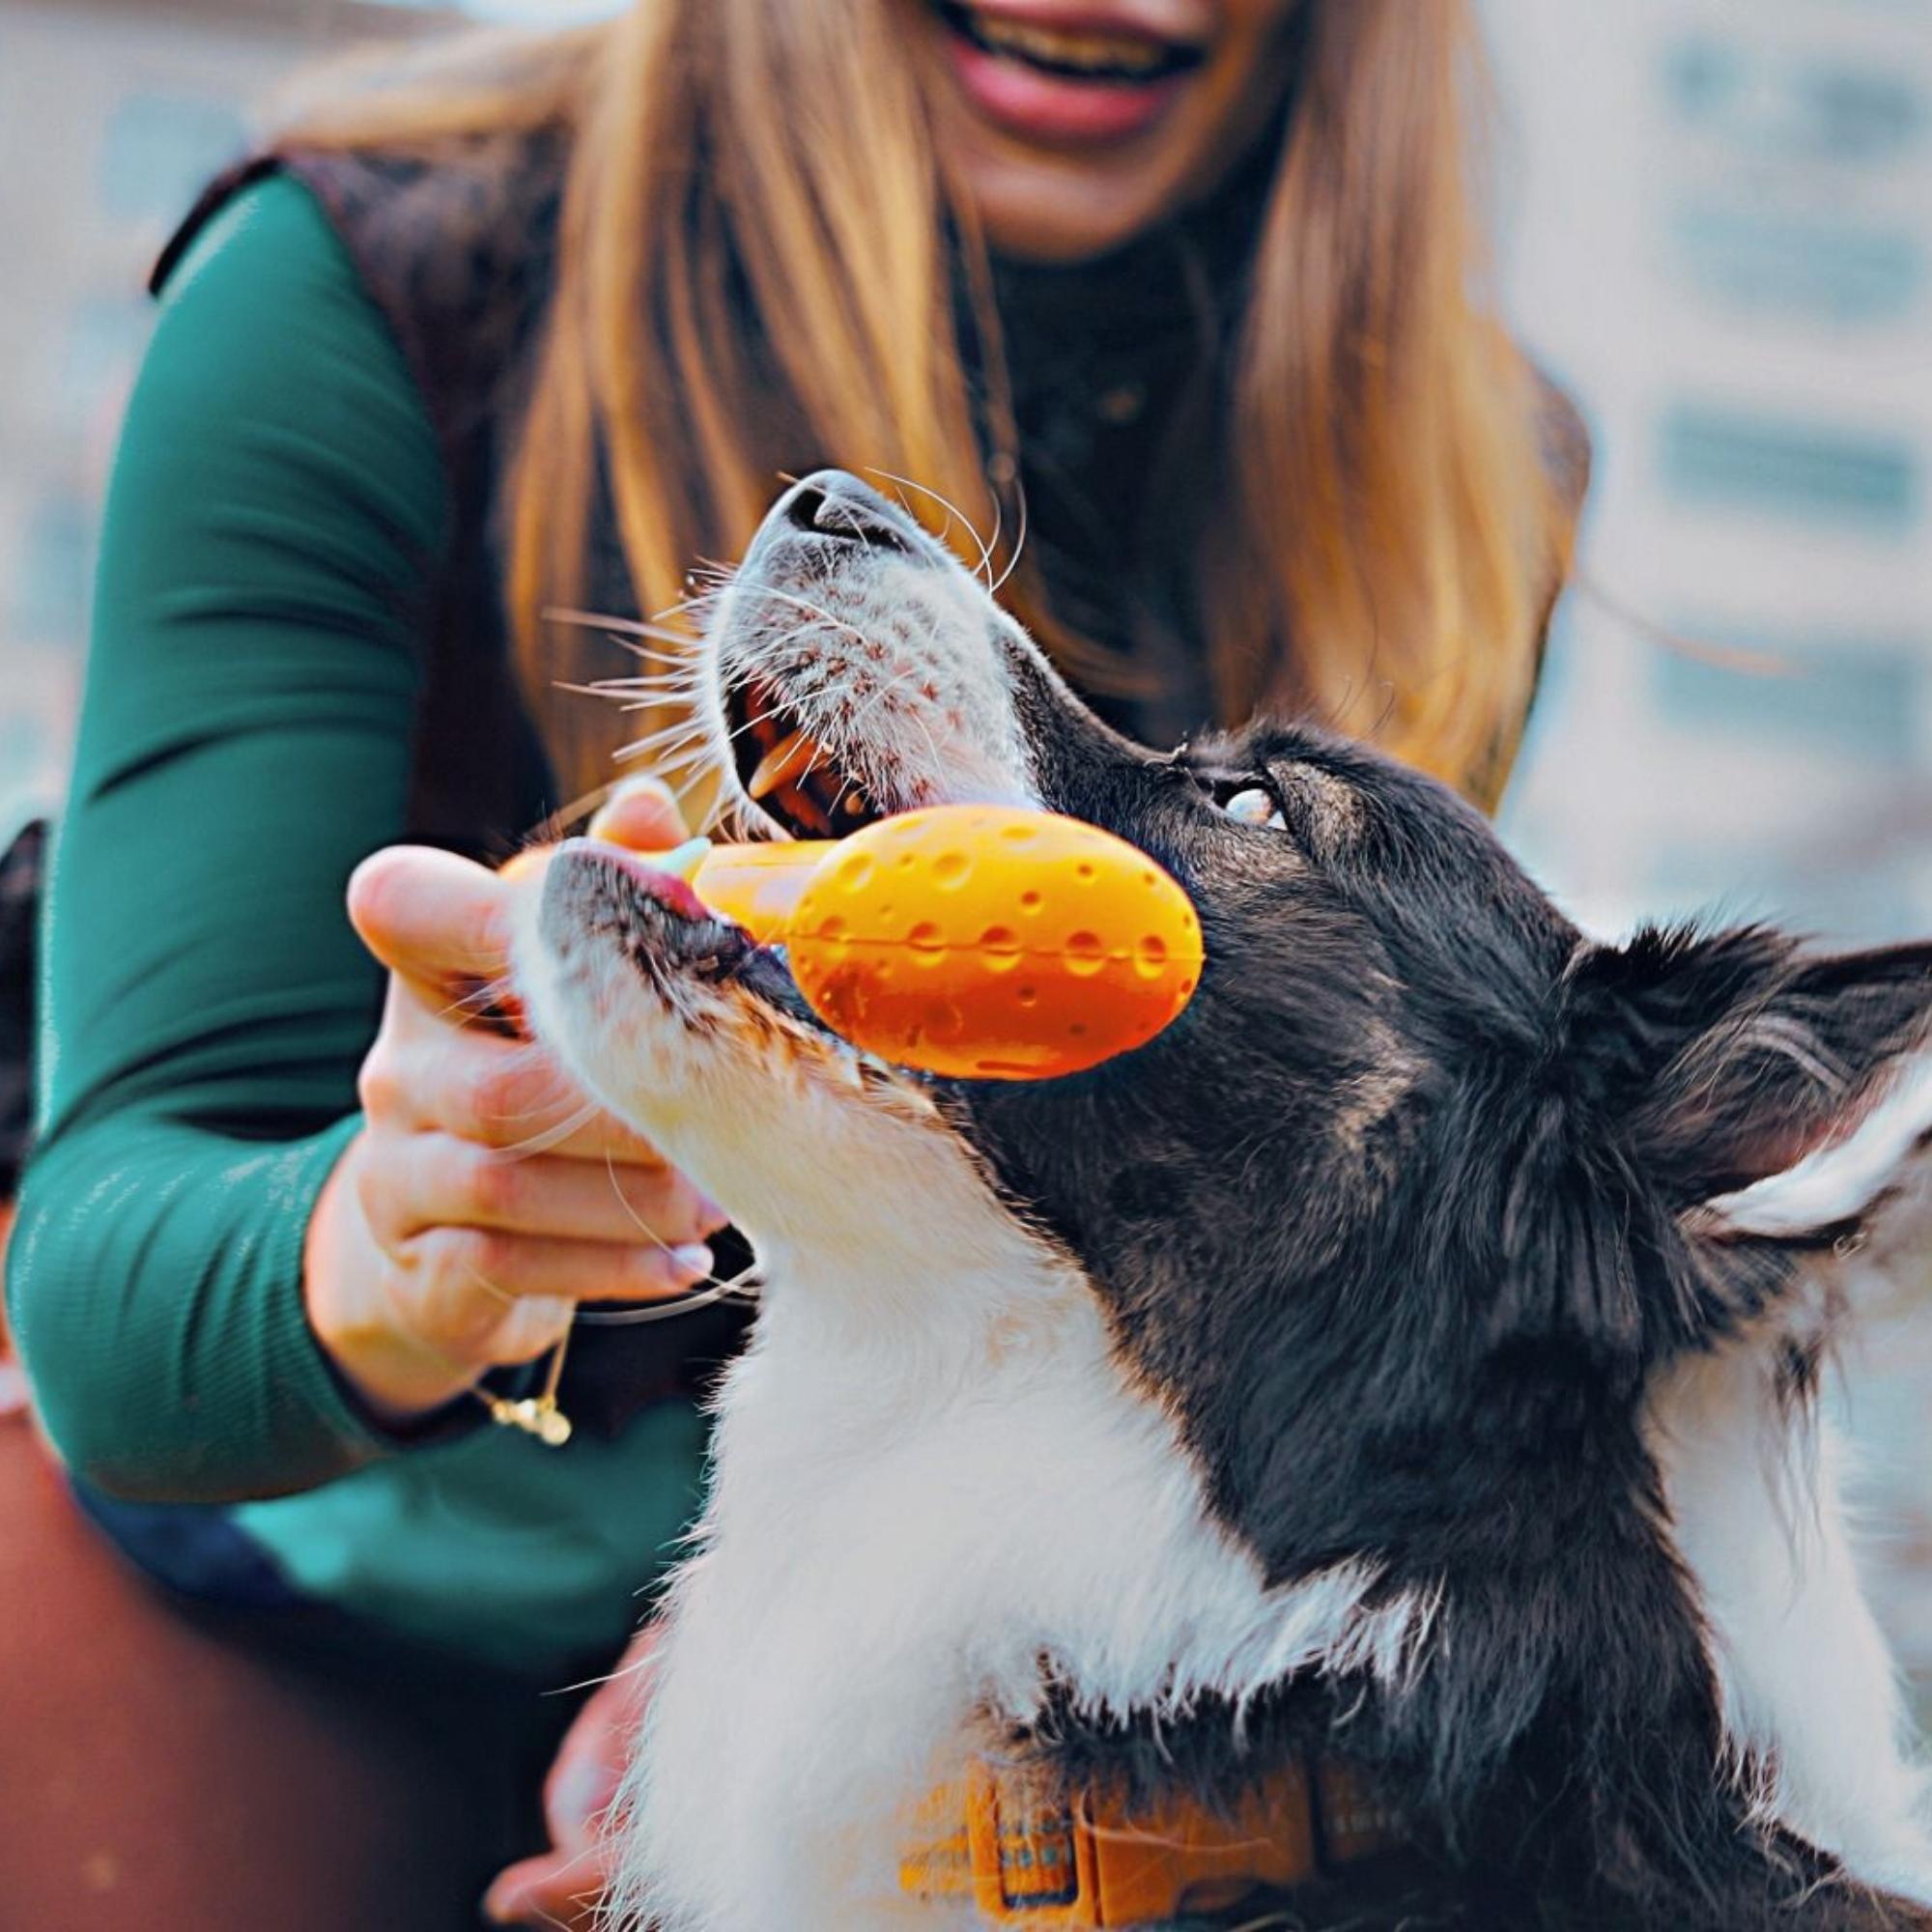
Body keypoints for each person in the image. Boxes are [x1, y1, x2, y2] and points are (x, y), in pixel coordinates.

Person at [4, 3, 1586, 1924]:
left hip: (954, 1627)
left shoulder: (1464, 475)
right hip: (272, 1574)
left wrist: (785, 1626)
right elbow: (113, 1265)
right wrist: (400, 1235)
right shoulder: (362, 282)